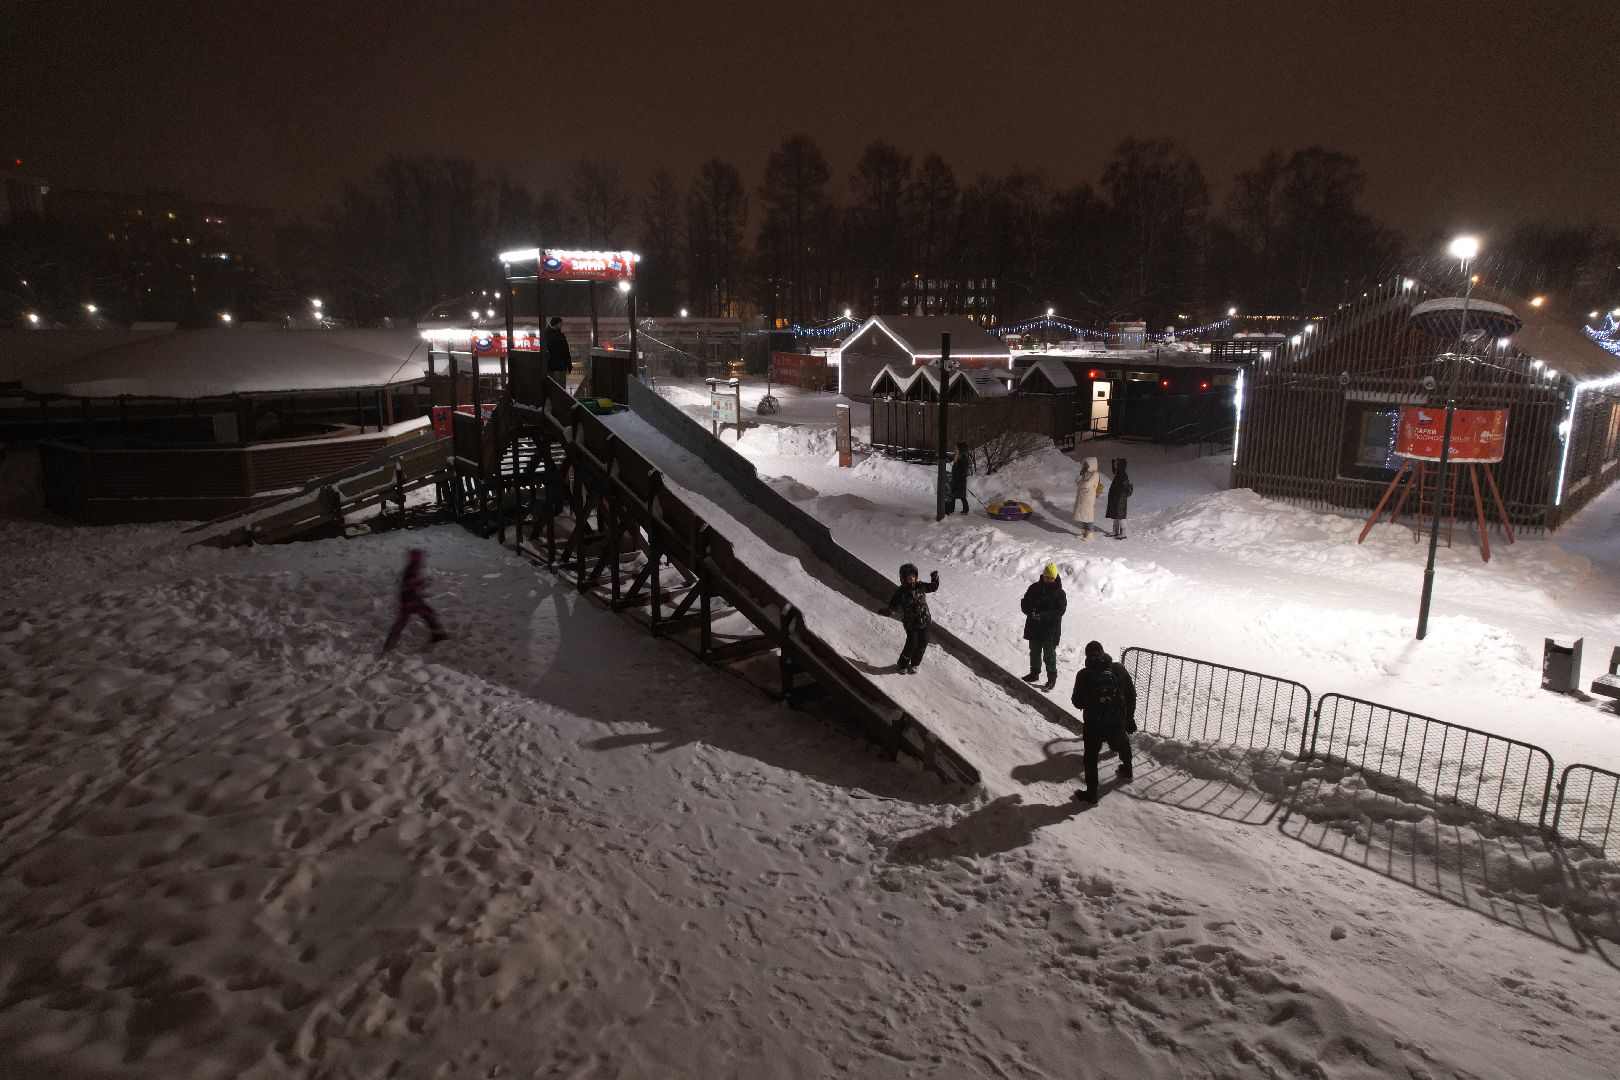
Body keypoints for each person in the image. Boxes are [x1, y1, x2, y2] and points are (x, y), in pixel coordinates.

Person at [1070, 640, 1136, 803]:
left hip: (1094, 723)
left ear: (1087, 656)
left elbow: (1077, 702)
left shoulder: (1084, 674)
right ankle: (1127, 770)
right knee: (1122, 743)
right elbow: (1131, 694)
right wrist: (1129, 718)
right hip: (1116, 719)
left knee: (1091, 756)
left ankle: (1092, 792)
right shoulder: (1118, 669)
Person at [877, 562, 940, 674]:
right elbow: (893, 606)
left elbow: (932, 587)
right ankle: (902, 665)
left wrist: (935, 578)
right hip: (911, 623)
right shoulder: (900, 592)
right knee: (912, 644)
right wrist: (887, 611)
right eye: (909, 577)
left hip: (924, 621)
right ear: (903, 579)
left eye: (914, 577)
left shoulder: (920, 586)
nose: (912, 579)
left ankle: (915, 664)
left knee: (923, 642)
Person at [384, 548, 448, 652]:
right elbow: (410, 583)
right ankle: (439, 635)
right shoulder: (411, 570)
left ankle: (389, 645)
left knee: (423, 615)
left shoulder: (412, 569)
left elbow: (412, 584)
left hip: (410, 600)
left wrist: (421, 585)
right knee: (428, 615)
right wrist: (422, 582)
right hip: (410, 601)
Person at [1020, 563, 1067, 690]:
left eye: (1051, 578)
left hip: (1050, 631)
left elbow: (1060, 611)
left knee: (1049, 655)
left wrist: (1043, 615)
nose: (1049, 580)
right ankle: (1034, 673)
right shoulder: (1034, 588)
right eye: (1047, 577)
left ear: (1055, 577)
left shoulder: (1060, 593)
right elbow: (1024, 602)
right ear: (1043, 576)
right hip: (1034, 627)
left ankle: (1052, 679)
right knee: (1034, 652)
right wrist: (1031, 611)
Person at [1072, 456, 1101, 540]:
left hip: (1089, 497)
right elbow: (1076, 481)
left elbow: (1087, 484)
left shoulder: (1095, 474)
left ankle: (1090, 533)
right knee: (1083, 514)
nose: (1085, 465)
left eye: (1086, 464)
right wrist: (1081, 475)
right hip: (1082, 496)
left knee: (1088, 514)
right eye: (1085, 464)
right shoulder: (1086, 473)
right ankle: (1084, 532)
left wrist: (1081, 483)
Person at [1106, 457, 1133, 539]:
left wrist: (1117, 495)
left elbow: (1122, 488)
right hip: (1116, 498)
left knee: (1121, 516)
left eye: (1116, 465)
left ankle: (1123, 533)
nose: (1115, 466)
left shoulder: (1123, 475)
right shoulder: (1118, 474)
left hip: (1120, 499)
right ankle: (1116, 531)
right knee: (1115, 515)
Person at [543, 316, 572, 383]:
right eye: (560, 323)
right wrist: (568, 363)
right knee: (559, 386)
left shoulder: (546, 335)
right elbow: (565, 351)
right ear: (556, 324)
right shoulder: (559, 336)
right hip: (557, 366)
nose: (562, 325)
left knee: (554, 387)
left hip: (552, 366)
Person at [949, 442, 972, 515]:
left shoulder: (963, 457)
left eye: (956, 448)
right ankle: (951, 509)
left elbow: (963, 470)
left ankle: (966, 509)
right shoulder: (957, 456)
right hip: (955, 479)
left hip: (960, 480)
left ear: (960, 449)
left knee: (962, 495)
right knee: (953, 495)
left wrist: (958, 475)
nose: (955, 449)